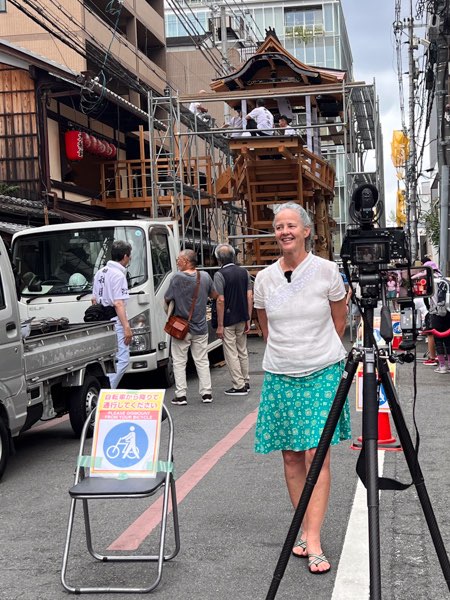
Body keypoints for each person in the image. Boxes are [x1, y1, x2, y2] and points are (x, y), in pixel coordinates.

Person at [253, 202, 350, 575]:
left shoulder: (327, 271)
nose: (284, 232)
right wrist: (289, 353)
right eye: (279, 227)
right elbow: (265, 327)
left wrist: (316, 351)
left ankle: (315, 539)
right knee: (291, 456)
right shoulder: (264, 279)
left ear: (306, 230)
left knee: (317, 454)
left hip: (323, 370)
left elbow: (338, 320)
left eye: (291, 225)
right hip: (280, 373)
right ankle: (303, 528)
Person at [165, 249, 217, 405]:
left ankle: (181, 395)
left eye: (178, 259)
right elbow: (214, 295)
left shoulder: (177, 278)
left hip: (181, 328)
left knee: (180, 361)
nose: (177, 261)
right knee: (202, 360)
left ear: (186, 261)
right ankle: (206, 393)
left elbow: (167, 298)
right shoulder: (205, 276)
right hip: (200, 326)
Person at [92, 240, 133, 389]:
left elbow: (94, 299)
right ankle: (107, 391)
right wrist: (126, 326)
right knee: (123, 359)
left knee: (108, 359)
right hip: (115, 320)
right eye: (129, 256)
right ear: (124, 256)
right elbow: (118, 303)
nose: (130, 259)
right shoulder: (119, 275)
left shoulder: (100, 273)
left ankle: (107, 389)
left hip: (102, 320)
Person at [213, 243, 253, 395]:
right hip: (242, 316)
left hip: (228, 318)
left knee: (231, 352)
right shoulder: (244, 273)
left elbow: (220, 300)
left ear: (218, 259)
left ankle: (239, 385)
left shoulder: (219, 275)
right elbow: (250, 296)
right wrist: (248, 317)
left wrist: (220, 325)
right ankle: (246, 380)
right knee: (242, 350)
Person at [425, 261, 450, 373]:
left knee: (438, 341)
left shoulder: (429, 282)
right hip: (448, 313)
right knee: (449, 340)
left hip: (436, 314)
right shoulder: (446, 280)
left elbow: (425, 299)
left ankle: (442, 366)